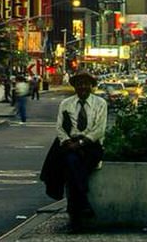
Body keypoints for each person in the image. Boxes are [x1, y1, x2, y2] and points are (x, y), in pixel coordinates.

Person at [45, 71, 107, 234]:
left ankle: (77, 217)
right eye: (79, 84)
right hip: (70, 144)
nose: (83, 87)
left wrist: (81, 142)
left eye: (86, 84)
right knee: (71, 166)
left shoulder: (100, 103)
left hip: (91, 145)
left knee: (72, 171)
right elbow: (60, 128)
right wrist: (68, 142)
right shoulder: (66, 104)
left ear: (91, 86)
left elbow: (99, 130)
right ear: (75, 86)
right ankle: (82, 208)